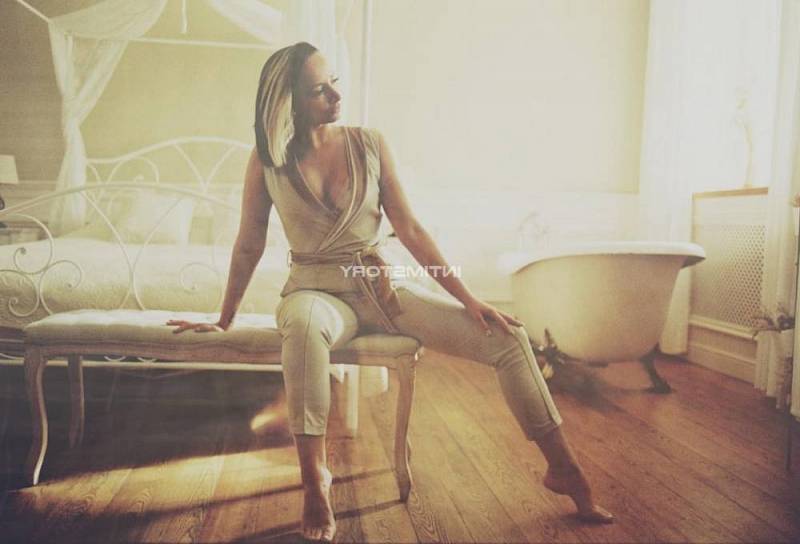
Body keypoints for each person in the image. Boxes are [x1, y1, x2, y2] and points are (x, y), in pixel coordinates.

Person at [167, 41, 613, 542]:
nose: (336, 96)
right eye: (319, 90)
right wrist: (224, 317)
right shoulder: (267, 161)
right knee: (303, 327)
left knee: (508, 338)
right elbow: (249, 241)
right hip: (315, 293)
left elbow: (411, 229)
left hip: (384, 288)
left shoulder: (369, 143)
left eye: (334, 83)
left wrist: (468, 299)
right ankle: (315, 480)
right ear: (289, 102)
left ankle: (565, 469)